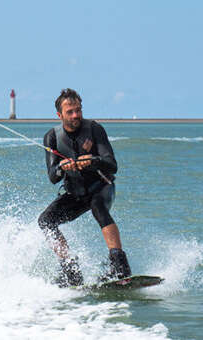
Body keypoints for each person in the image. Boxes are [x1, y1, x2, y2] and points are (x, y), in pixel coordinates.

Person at [38, 88, 131, 287]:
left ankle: (119, 265)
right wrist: (62, 168)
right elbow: (53, 176)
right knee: (46, 221)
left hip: (101, 186)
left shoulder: (95, 129)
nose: (75, 115)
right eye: (70, 112)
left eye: (78, 110)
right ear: (60, 115)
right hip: (75, 193)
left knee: (98, 208)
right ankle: (70, 268)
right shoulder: (51, 137)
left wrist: (94, 160)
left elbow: (112, 164)